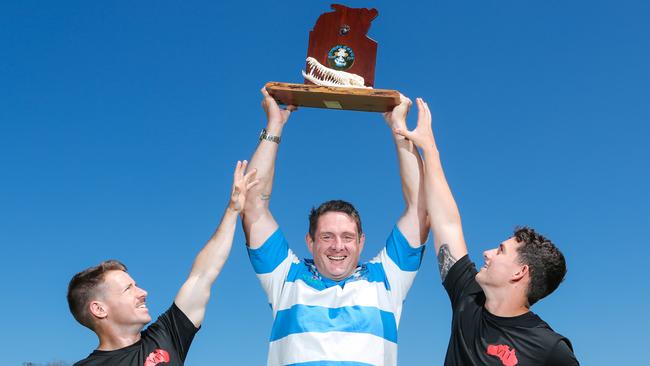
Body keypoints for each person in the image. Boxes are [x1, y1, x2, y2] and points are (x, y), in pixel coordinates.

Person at [241, 88, 428, 365]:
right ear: (310, 241)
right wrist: (274, 126)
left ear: (361, 242)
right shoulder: (286, 277)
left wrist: (399, 129)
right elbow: (252, 205)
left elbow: (421, 209)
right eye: (327, 236)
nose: (337, 246)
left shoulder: (386, 279)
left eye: (347, 237)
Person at [394, 98, 579, 365]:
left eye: (501, 250)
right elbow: (446, 222)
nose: (488, 252)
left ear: (520, 272)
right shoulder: (468, 297)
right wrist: (428, 147)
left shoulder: (550, 349)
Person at [67, 161, 258, 366]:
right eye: (127, 289)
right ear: (99, 309)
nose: (143, 292)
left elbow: (202, 275)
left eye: (136, 285)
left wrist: (232, 210)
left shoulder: (167, 335)